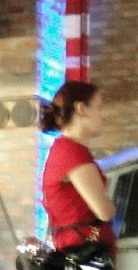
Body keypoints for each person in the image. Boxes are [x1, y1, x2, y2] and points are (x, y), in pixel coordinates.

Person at [39, 80, 117, 259]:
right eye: (98, 107)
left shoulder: (63, 149)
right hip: (85, 253)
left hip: (75, 249)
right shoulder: (73, 153)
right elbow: (104, 211)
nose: (103, 116)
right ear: (81, 108)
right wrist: (112, 206)